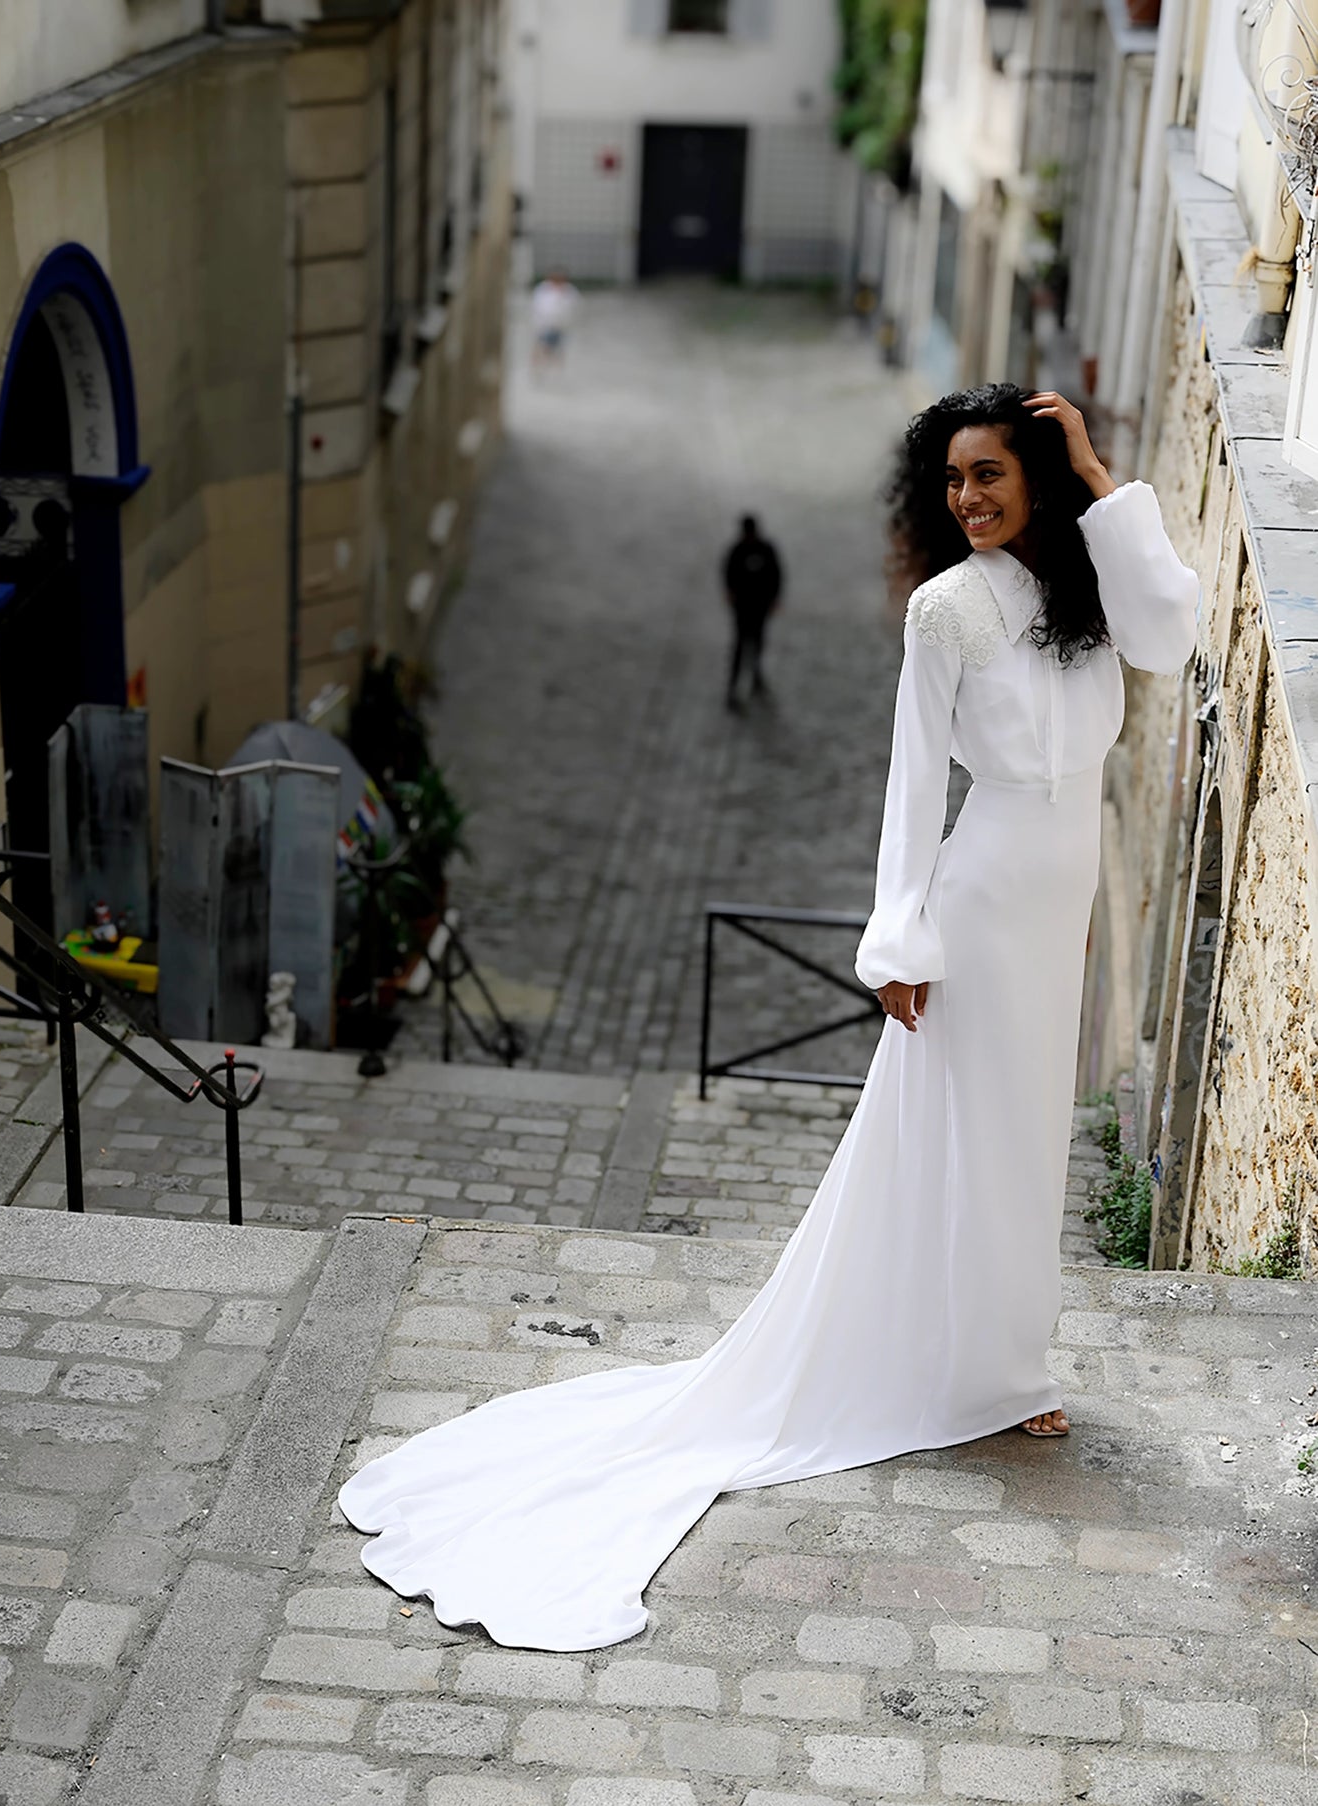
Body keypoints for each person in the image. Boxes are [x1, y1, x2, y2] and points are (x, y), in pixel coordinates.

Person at [335, 384, 1198, 1652]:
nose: (966, 498)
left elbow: (1171, 636)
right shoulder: (944, 609)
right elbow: (911, 779)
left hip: (1051, 900)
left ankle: (1002, 1374)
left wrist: (1093, 467)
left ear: (1036, 477)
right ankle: (972, 1373)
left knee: (1023, 1146)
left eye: (991, 474)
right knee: (953, 1138)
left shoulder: (1083, 586)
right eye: (951, 479)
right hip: (982, 899)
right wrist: (897, 937)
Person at [723, 513, 783, 707]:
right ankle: (733, 688)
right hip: (743, 608)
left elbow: (776, 574)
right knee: (741, 646)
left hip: (759, 606)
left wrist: (774, 599)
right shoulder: (737, 551)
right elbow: (728, 574)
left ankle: (756, 676)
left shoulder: (765, 550)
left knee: (757, 643)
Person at [530, 268, 579, 370]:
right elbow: (537, 308)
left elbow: (574, 309)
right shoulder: (542, 289)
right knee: (541, 349)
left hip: (561, 327)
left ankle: (556, 373)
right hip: (544, 326)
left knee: (558, 351)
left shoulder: (570, 291)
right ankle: (538, 370)